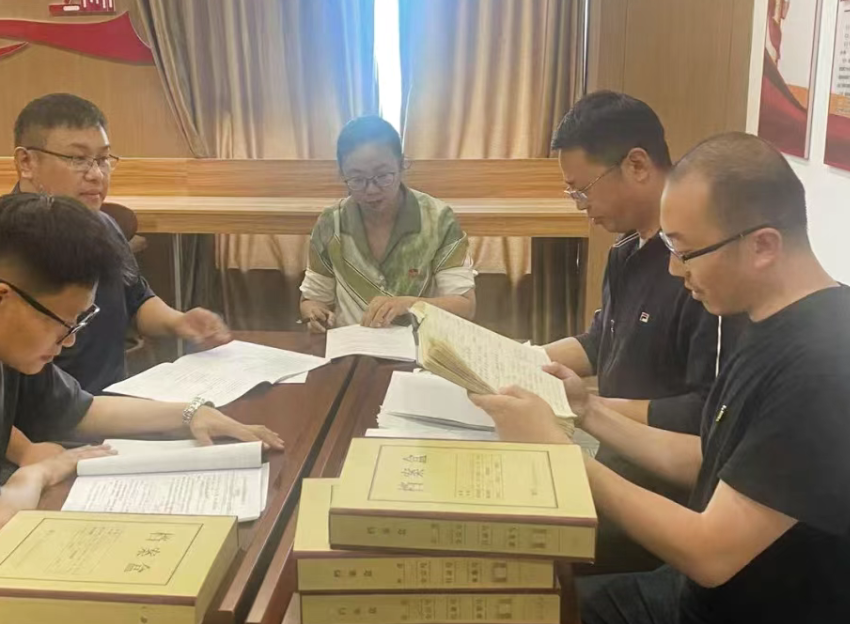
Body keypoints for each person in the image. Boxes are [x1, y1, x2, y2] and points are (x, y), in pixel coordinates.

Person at [473, 133, 850, 624]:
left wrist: (559, 453)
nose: (674, 269)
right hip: (686, 590)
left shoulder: (823, 367)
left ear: (762, 246)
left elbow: (711, 555)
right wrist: (588, 409)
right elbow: (707, 459)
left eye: (686, 251)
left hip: (732, 607)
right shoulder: (768, 318)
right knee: (519, 593)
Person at [0, 193, 284, 624]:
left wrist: (191, 413)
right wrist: (39, 471)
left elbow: (82, 411)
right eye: (66, 324)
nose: (72, 340)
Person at [0, 93, 230, 397]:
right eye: (77, 159)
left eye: (103, 159)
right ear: (26, 162)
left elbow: (135, 299)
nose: (96, 174)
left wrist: (179, 322)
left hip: (116, 405)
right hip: (41, 419)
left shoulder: (103, 225)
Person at [544, 91, 733, 433]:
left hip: (661, 457)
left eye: (583, 190)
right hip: (614, 443)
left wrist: (590, 408)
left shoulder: (704, 267)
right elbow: (604, 341)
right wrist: (519, 361)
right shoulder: (626, 248)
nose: (580, 205)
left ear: (637, 165)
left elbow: (707, 411)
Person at [299, 115, 476, 332]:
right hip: (352, 345)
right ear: (341, 174)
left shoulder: (438, 219)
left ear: (401, 165)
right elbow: (313, 300)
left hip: (418, 345)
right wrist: (315, 313)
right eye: (357, 180)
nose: (371, 190)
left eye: (383, 176)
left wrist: (410, 304)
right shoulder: (330, 223)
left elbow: (465, 306)